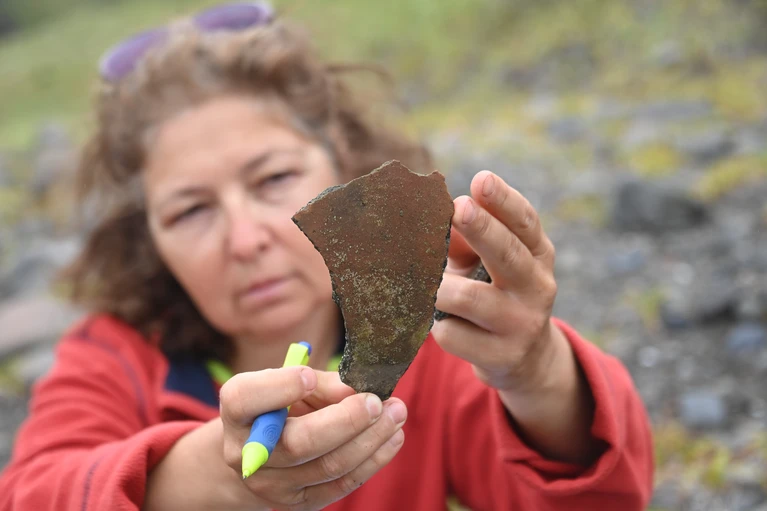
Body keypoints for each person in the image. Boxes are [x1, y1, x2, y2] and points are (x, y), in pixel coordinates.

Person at [0, 2, 654, 510]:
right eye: (190, 210)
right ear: (147, 238)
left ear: (343, 165)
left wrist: (535, 370)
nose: (245, 239)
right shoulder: (110, 360)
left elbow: (604, 498)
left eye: (273, 178)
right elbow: (32, 491)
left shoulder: (430, 343)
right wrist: (207, 477)